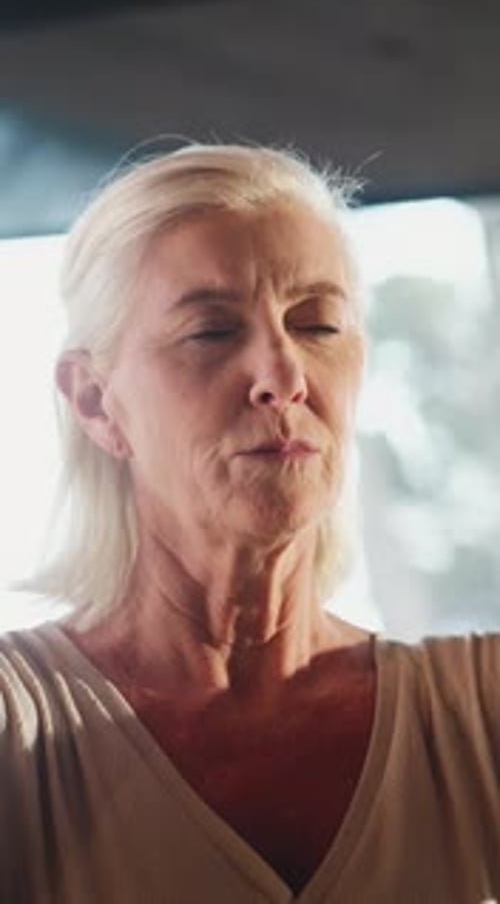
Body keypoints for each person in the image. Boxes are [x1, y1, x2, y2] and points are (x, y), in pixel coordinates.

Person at [0, 143, 499, 904]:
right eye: (211, 332)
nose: (284, 377)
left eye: (318, 325)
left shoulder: (475, 710)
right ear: (96, 401)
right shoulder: (20, 729)